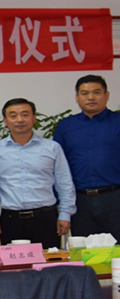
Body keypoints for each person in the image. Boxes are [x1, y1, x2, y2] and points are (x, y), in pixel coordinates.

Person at [0, 98, 76, 248]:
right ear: (5, 121)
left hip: (45, 218)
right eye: (13, 116)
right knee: (14, 262)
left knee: (47, 261)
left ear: (34, 118)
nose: (20, 120)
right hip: (10, 219)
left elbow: (64, 183)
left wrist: (65, 215)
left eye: (25, 114)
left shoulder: (52, 148)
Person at [54, 74, 120, 240]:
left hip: (115, 198)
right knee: (85, 249)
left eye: (96, 92)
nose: (90, 97)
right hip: (80, 201)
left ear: (106, 95)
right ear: (77, 97)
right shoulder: (65, 126)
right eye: (84, 93)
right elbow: (56, 166)